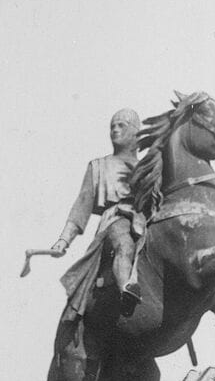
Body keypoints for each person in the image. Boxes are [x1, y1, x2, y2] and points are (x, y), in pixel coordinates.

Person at [50, 108, 147, 309]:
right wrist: (63, 240)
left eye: (121, 125)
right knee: (124, 244)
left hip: (145, 221)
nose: (115, 130)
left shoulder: (147, 168)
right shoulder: (99, 166)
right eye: (112, 126)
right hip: (116, 219)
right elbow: (81, 206)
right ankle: (126, 290)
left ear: (135, 132)